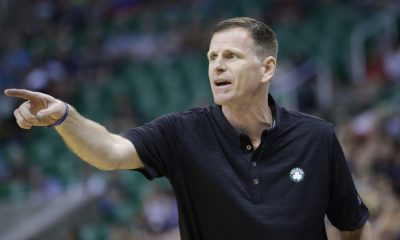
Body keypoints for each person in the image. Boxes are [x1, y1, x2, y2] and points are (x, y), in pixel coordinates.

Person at [4, 17, 371, 240]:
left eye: (231, 56)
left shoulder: (317, 137)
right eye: (212, 57)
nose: (217, 66)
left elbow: (352, 224)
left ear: (267, 68)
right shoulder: (183, 133)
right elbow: (109, 152)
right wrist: (65, 116)